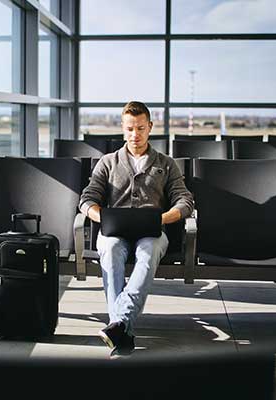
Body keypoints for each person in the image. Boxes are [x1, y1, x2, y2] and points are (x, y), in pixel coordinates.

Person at [78, 101, 194, 358]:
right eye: (130, 128)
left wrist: (162, 219)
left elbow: (185, 201)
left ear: (150, 127)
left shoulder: (166, 163)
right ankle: (122, 329)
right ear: (122, 128)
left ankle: (118, 324)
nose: (135, 134)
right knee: (110, 248)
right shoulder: (107, 163)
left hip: (152, 232)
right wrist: (103, 217)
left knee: (148, 250)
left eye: (140, 128)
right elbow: (86, 200)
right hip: (114, 232)